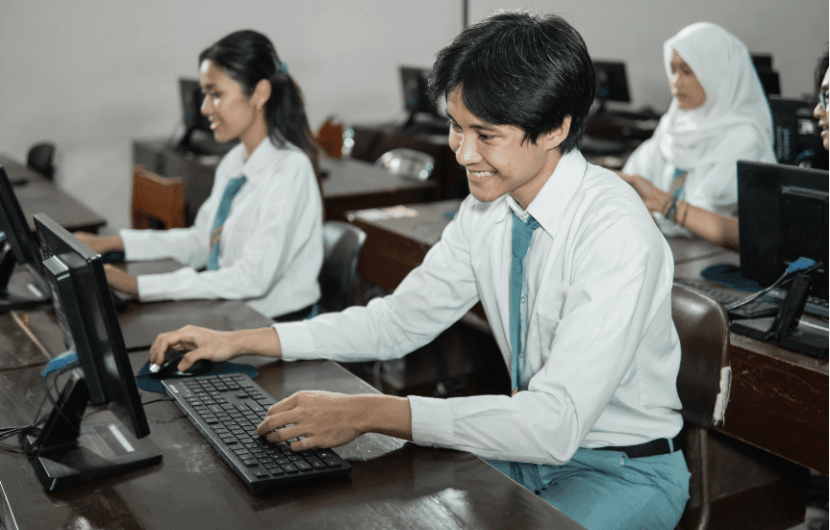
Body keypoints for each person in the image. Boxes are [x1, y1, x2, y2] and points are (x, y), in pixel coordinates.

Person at [149, 12, 688, 530]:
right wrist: (241, 341)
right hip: (523, 446)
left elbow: (554, 424)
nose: (462, 152)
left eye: (486, 135)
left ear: (555, 129)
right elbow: (395, 322)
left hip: (624, 468)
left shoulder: (614, 232)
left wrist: (371, 411)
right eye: (456, 127)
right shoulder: (489, 208)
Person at [77, 30, 324, 321]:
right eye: (204, 94)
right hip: (234, 313)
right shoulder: (235, 160)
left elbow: (251, 279)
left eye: (216, 94)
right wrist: (114, 243)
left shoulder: (290, 171)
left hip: (275, 329)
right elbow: (200, 242)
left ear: (260, 94)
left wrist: (140, 287)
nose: (205, 108)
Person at [618, 22, 775, 248]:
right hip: (670, 250)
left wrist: (657, 204)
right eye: (672, 70)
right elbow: (633, 178)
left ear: (717, 73)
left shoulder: (744, 138)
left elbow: (708, 212)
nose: (676, 81)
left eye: (687, 71)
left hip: (717, 260)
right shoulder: (671, 126)